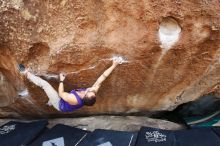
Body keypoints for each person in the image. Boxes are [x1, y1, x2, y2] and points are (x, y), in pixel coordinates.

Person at [18, 57, 124, 112]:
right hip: (66, 99)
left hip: (59, 103)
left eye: (89, 91)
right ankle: (51, 101)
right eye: (92, 91)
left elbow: (61, 93)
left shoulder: (74, 99)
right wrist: (114, 65)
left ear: (85, 96)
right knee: (56, 93)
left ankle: (26, 74)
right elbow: (103, 77)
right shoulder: (92, 93)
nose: (91, 89)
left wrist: (61, 80)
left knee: (45, 85)